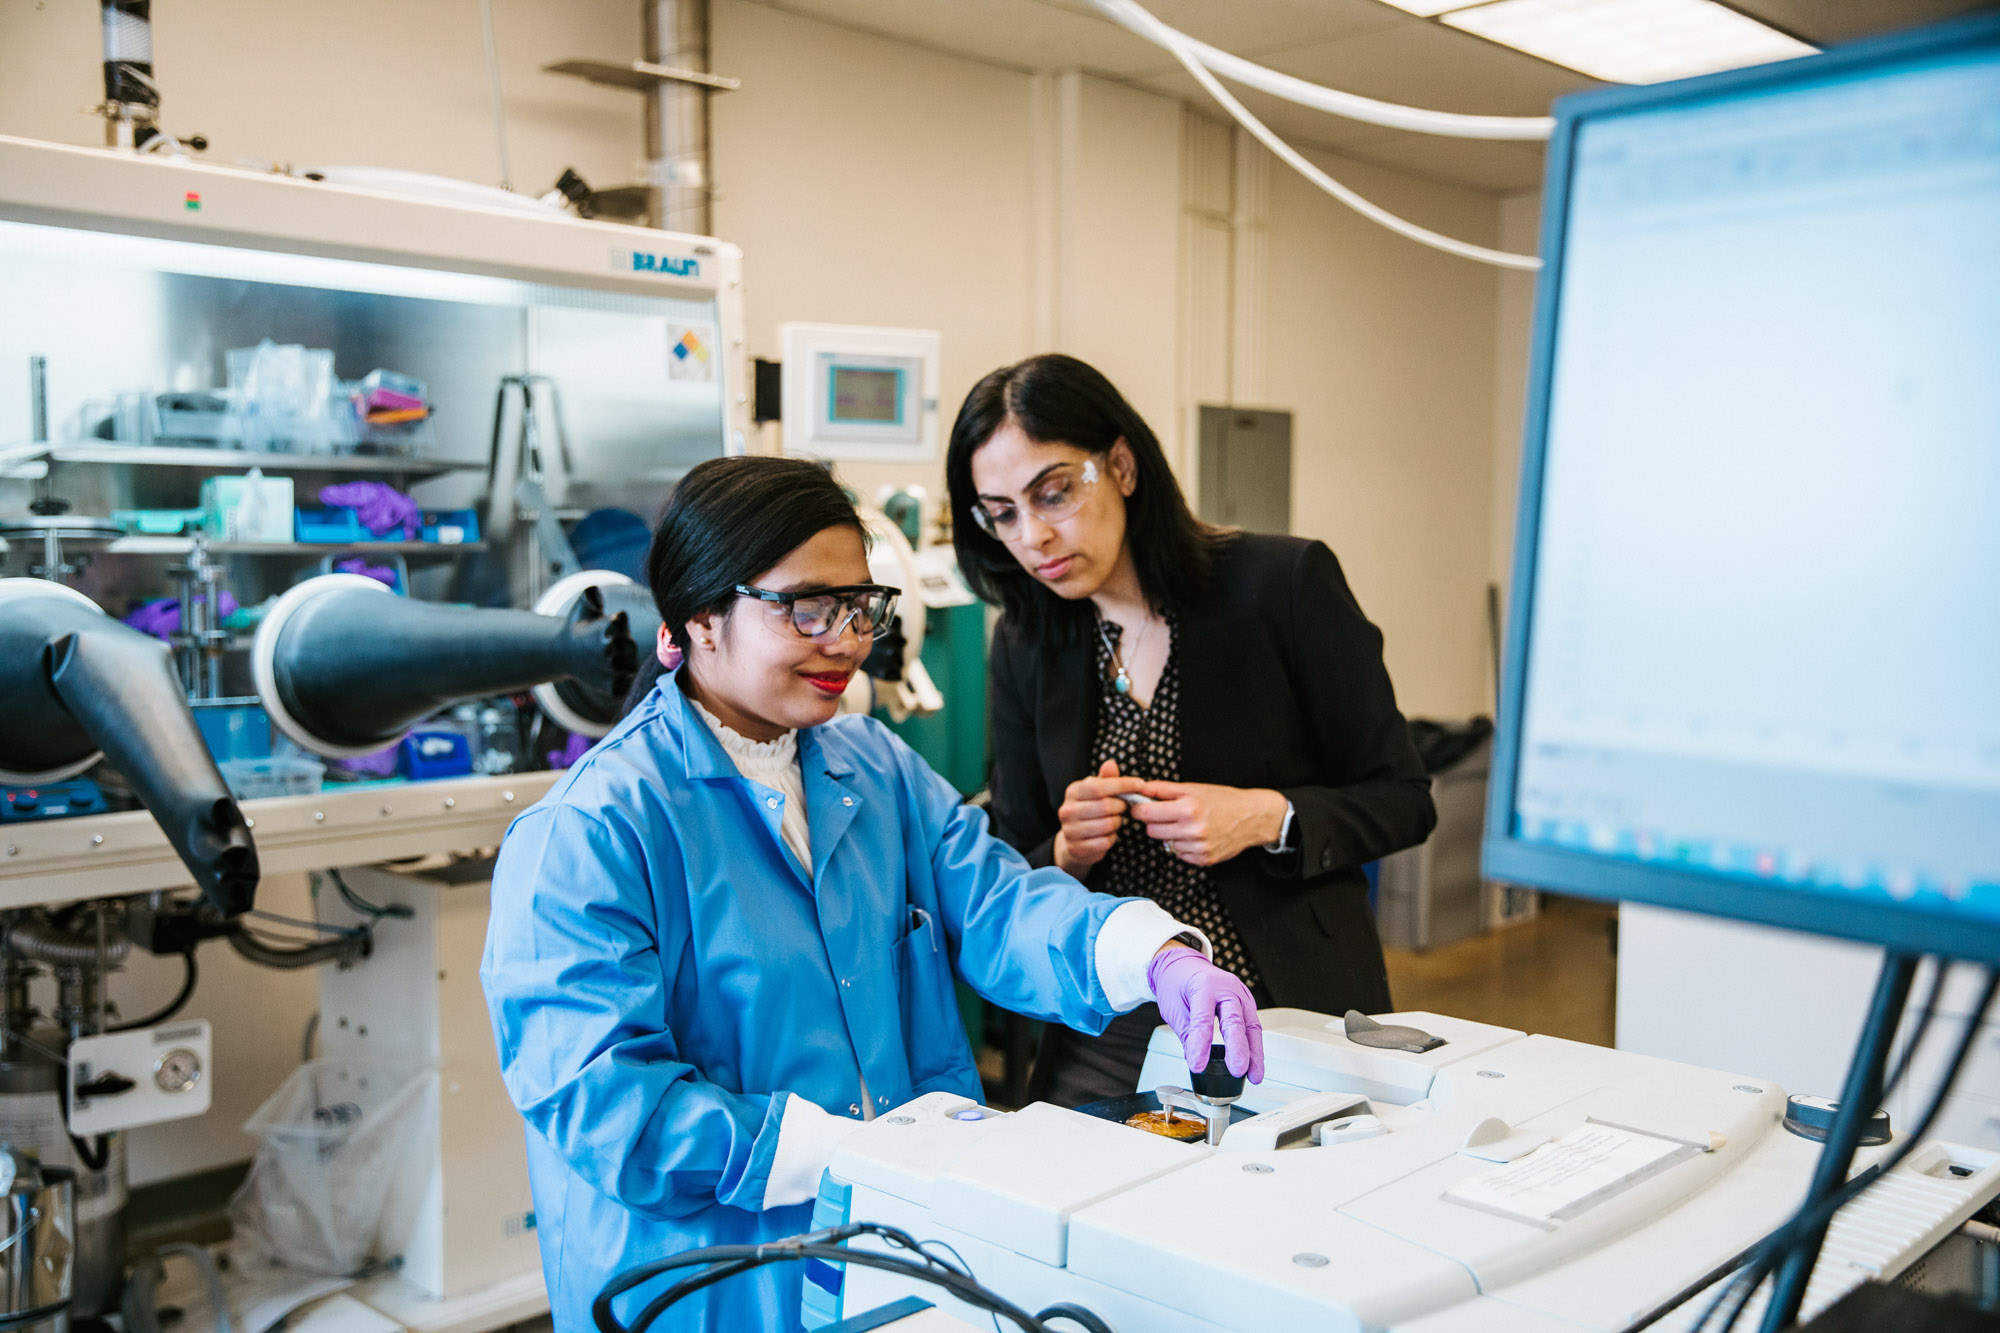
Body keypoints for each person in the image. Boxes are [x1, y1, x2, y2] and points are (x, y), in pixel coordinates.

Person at [480, 455, 1264, 1332]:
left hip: (894, 1249)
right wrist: (844, 1149)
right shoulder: (591, 833)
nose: (847, 639)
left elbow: (1000, 904)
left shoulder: (873, 767)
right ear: (701, 616)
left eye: (860, 606)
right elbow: (606, 1102)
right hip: (711, 1283)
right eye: (808, 608)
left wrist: (1147, 955)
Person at [946, 354, 1436, 1108]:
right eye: (1002, 512)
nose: (1034, 535)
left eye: (1053, 493)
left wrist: (1267, 815)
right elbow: (1015, 858)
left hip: (1281, 1000)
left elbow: (1404, 797)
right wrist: (1068, 850)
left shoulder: (1281, 586)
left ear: (1122, 465)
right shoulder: (1025, 641)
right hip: (1115, 1014)